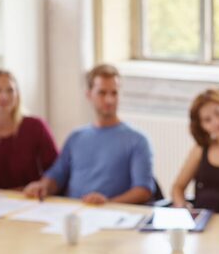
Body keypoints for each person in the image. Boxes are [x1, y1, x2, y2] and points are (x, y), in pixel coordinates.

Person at [22, 64, 156, 204]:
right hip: (73, 214)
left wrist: (108, 203)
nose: (109, 100)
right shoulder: (76, 137)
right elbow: (56, 175)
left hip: (112, 215)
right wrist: (42, 186)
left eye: (114, 93)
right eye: (102, 93)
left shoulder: (138, 140)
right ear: (89, 94)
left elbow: (143, 190)